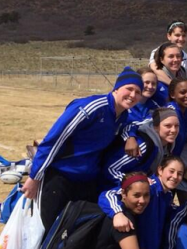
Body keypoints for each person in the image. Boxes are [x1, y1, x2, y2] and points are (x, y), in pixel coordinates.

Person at [21, 66, 142, 231]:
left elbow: (130, 124)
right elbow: (54, 140)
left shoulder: (123, 116)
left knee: (78, 233)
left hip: (87, 182)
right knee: (52, 232)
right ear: (116, 88)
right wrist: (34, 177)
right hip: (61, 178)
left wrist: (130, 137)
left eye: (138, 92)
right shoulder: (90, 107)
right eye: (129, 89)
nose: (133, 95)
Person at [98, 157, 184, 249]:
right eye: (171, 171)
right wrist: (117, 213)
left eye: (180, 174)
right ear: (160, 170)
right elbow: (108, 194)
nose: (175, 177)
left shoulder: (167, 195)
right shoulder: (149, 187)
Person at [82, 172, 159, 249]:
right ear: (123, 194)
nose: (142, 201)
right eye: (136, 195)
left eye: (146, 195)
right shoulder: (124, 218)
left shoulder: (114, 210)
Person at [97, 108, 178, 192]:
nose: (174, 130)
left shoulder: (167, 146)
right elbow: (110, 169)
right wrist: (136, 182)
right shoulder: (142, 146)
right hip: (113, 191)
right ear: (156, 127)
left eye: (177, 126)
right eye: (168, 126)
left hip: (137, 193)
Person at [152, 42, 187, 108]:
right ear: (161, 59)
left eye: (178, 56)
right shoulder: (155, 82)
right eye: (171, 56)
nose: (175, 59)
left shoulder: (184, 74)